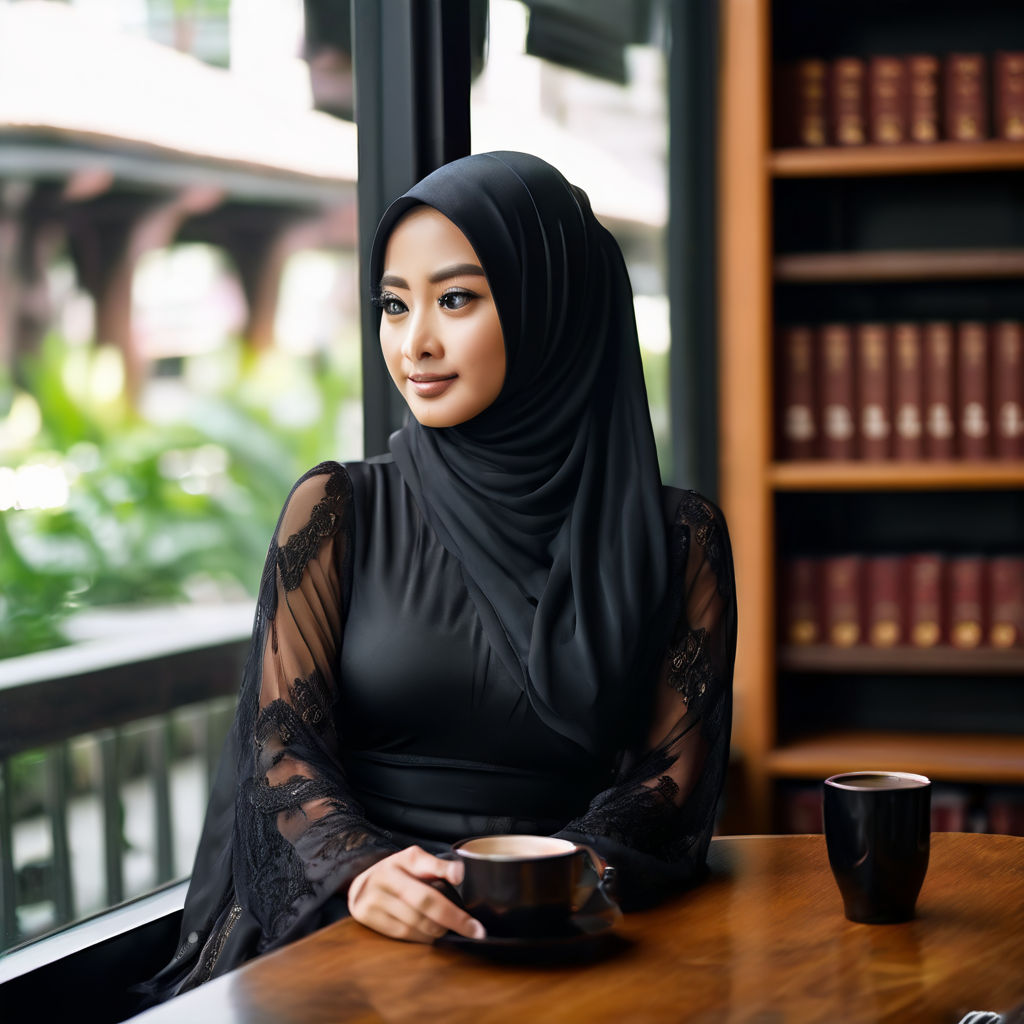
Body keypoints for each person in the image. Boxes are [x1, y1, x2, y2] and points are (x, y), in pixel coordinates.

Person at [138, 150, 736, 1004]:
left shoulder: (678, 539)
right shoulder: (337, 510)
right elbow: (280, 749)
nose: (413, 341)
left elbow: (671, 780)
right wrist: (363, 871)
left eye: (456, 298)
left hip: (573, 944)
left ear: (549, 308)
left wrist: (547, 877)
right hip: (358, 941)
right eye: (393, 303)